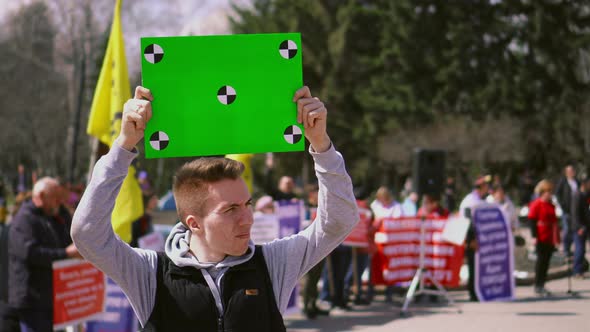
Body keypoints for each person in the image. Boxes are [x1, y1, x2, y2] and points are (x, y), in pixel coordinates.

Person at [71, 86, 358, 331]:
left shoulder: (272, 263)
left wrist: (321, 145)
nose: (247, 219)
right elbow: (87, 233)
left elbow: (339, 221)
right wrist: (123, 146)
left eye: (247, 204)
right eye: (231, 209)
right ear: (194, 223)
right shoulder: (151, 273)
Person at [8, 177, 81, 332]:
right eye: (55, 198)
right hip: (33, 300)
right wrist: (66, 253)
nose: (59, 202)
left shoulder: (54, 217)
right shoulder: (24, 219)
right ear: (40, 197)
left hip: (52, 297)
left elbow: (65, 239)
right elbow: (31, 253)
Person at [459, 176, 489, 301]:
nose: (487, 189)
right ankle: (473, 293)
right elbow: (467, 222)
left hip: (481, 238)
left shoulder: (480, 200)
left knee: (479, 267)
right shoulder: (470, 201)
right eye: (485, 186)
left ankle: (479, 291)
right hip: (473, 239)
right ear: (480, 188)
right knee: (473, 267)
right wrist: (471, 240)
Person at [528, 179, 559, 296]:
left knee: (546, 262)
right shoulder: (536, 204)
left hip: (549, 237)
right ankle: (537, 284)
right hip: (540, 236)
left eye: (550, 191)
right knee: (540, 262)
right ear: (542, 192)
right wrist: (534, 236)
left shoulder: (551, 205)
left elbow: (554, 221)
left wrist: (557, 238)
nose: (549, 194)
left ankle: (542, 284)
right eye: (547, 191)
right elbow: (532, 220)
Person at [555, 165, 578, 257]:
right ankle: (566, 249)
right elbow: (558, 194)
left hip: (576, 211)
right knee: (567, 229)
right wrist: (563, 206)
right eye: (569, 171)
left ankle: (573, 248)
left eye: (572, 170)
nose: (571, 172)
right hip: (567, 210)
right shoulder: (563, 182)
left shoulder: (577, 182)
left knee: (575, 229)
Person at [571, 177, 590, 278]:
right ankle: (577, 271)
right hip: (579, 227)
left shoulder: (586, 195)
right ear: (584, 184)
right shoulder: (577, 195)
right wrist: (580, 227)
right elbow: (575, 214)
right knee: (579, 249)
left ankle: (581, 269)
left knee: (582, 250)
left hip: (585, 226)